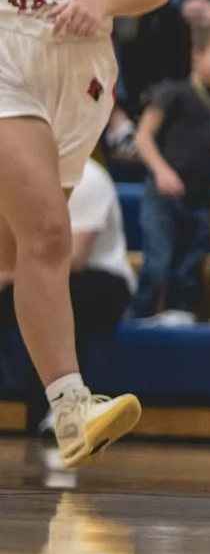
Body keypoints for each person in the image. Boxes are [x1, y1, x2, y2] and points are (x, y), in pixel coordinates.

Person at [0, 0, 169, 466]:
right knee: (47, 233)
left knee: (20, 250)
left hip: (86, 74)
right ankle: (71, 406)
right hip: (8, 58)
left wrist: (103, 1)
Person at [1, 160, 136, 440]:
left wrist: (9, 275)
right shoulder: (17, 176)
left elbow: (73, 256)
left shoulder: (89, 178)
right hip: (30, 273)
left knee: (63, 299)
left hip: (100, 277)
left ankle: (61, 410)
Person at [125, 23, 210, 324]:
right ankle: (137, 317)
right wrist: (162, 171)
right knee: (157, 262)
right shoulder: (173, 93)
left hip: (200, 197)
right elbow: (144, 136)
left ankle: (178, 318)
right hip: (164, 194)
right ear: (197, 56)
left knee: (187, 268)